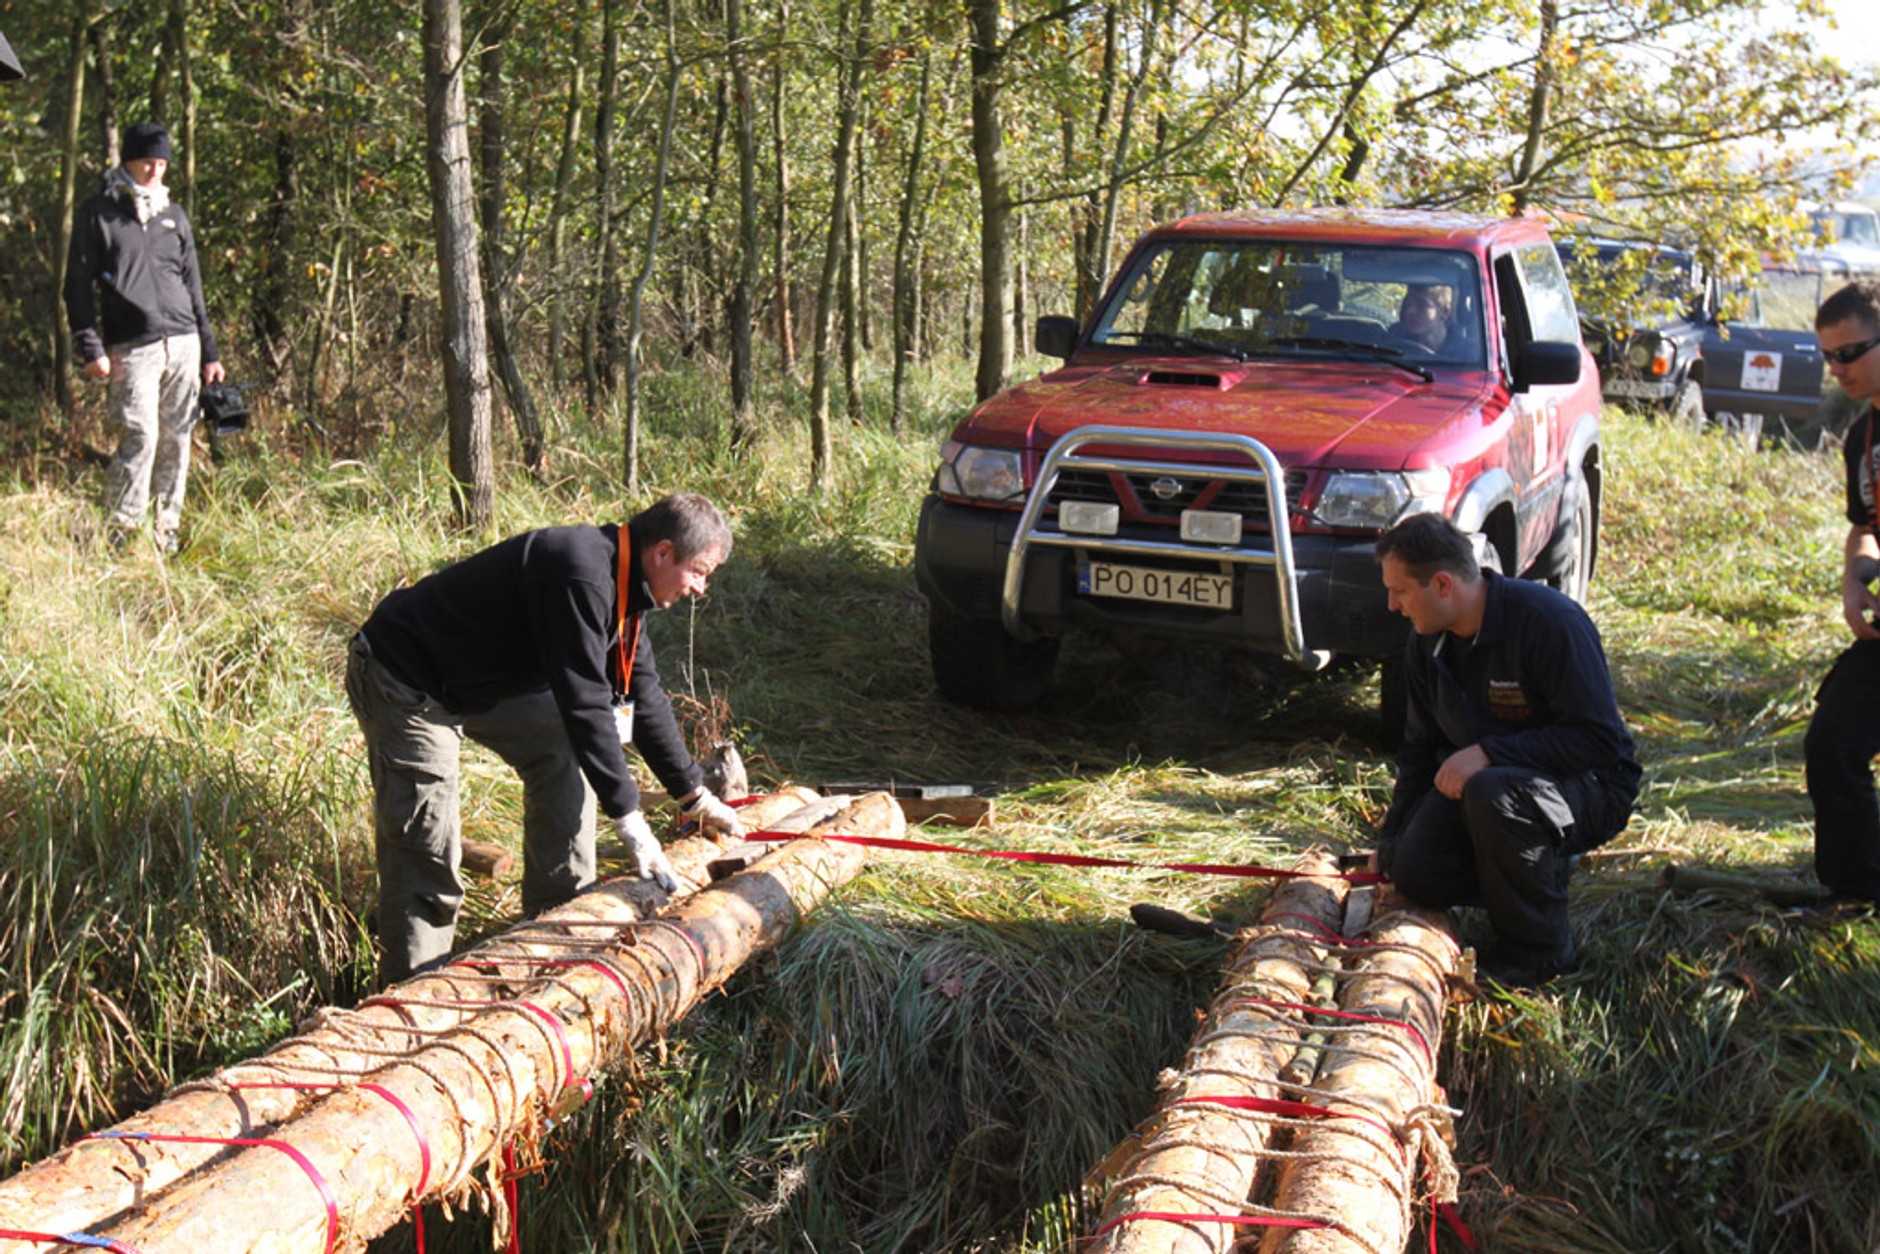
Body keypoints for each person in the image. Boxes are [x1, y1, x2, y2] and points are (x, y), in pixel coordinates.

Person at [345, 493, 747, 984]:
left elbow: (641, 693)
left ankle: (556, 928)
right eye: (700, 572)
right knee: (427, 848)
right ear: (662, 553)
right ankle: (408, 1005)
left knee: (562, 751)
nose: (701, 588)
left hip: (477, 681)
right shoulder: (579, 571)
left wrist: (694, 793)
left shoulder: (626, 588)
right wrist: (629, 820)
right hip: (406, 679)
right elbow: (585, 702)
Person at [1372, 512, 1640, 988]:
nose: (1391, 605)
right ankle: (1525, 868)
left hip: (1590, 786)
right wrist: (1390, 842)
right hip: (1494, 791)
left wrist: (1490, 752)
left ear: (1442, 583)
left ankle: (1539, 952)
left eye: (1400, 591)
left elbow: (1598, 740)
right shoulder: (1425, 644)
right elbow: (1418, 750)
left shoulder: (1549, 623)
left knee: (1495, 793)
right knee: (1413, 872)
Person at [64, 121, 224, 556]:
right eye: (147, 161)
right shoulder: (98, 213)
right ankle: (120, 539)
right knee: (140, 438)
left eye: (162, 162)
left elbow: (194, 286)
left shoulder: (174, 215)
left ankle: (164, 536)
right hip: (132, 347)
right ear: (129, 161)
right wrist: (90, 347)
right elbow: (76, 284)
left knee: (178, 440)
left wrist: (209, 351)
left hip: (184, 343)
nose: (155, 170)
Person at [1803, 278, 1880, 909]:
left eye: (1850, 352)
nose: (1838, 368)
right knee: (1832, 741)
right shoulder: (1864, 436)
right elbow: (1865, 525)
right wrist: (1855, 579)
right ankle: (1855, 895)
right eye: (1829, 356)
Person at [1389, 283, 1455, 354]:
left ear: (1445, 312)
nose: (1410, 311)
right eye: (1408, 303)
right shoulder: (1393, 339)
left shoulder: (1463, 354)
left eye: (1422, 305)